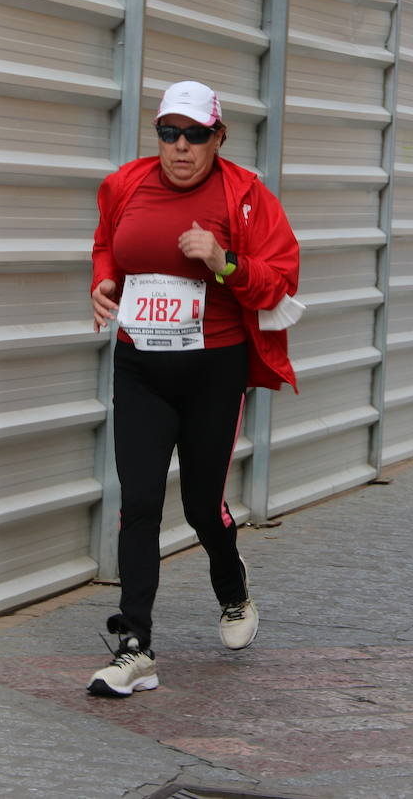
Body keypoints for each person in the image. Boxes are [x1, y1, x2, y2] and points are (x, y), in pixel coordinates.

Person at [86, 81, 300, 697]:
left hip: (214, 367)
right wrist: (103, 284)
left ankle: (232, 592)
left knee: (202, 505)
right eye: (169, 133)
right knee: (140, 501)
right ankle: (136, 647)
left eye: (195, 135)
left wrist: (222, 259)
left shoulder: (248, 197)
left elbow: (279, 285)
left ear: (218, 137)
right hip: (141, 366)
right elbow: (106, 245)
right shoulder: (125, 184)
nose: (180, 148)